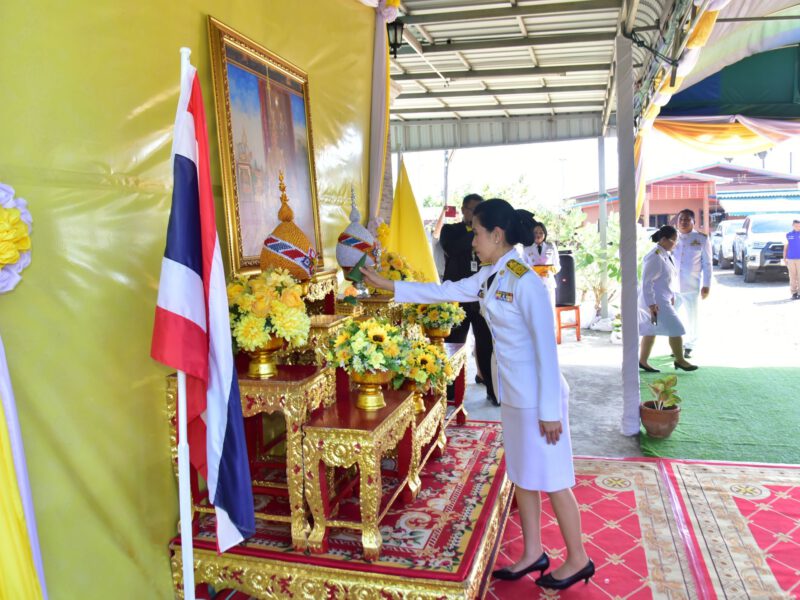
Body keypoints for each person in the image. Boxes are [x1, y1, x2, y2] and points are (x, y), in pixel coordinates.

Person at [362, 199, 594, 591]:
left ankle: (578, 558)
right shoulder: (491, 277)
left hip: (541, 399)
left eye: (476, 232)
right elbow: (443, 291)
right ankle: (533, 550)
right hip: (516, 396)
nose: (472, 240)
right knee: (522, 475)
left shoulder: (526, 282)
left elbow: (546, 351)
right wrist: (388, 285)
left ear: (497, 235)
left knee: (554, 478)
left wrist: (551, 410)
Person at [439, 193, 497, 404]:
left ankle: (493, 389)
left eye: (480, 211)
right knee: (453, 345)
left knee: (486, 345)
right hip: (456, 299)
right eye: (473, 210)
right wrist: (476, 231)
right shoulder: (450, 230)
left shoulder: (486, 232)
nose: (477, 214)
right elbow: (452, 248)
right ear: (463, 210)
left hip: (481, 296)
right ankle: (450, 392)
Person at [638, 225, 698, 372]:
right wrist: (651, 305)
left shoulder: (664, 253)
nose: (676, 244)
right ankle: (680, 360)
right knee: (676, 328)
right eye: (674, 240)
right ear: (664, 240)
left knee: (650, 330)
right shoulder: (654, 256)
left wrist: (671, 296)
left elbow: (666, 280)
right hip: (655, 303)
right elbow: (647, 283)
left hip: (662, 299)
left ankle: (643, 361)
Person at [672, 209, 711, 359]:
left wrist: (706, 285)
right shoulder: (672, 238)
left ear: (693, 222)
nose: (683, 222)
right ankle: (674, 343)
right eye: (681, 219)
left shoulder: (702, 239)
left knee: (692, 317)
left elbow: (707, 264)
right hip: (673, 286)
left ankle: (690, 345)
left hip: (691, 286)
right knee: (672, 316)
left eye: (687, 220)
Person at [522, 219, 561, 309]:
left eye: (541, 232)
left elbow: (558, 266)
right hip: (533, 284)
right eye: (535, 232)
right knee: (536, 311)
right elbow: (523, 267)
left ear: (545, 234)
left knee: (550, 310)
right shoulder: (526, 249)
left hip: (548, 284)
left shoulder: (551, 246)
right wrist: (532, 271)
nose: (538, 235)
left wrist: (550, 270)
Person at [783, 219, 800, 300]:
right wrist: (784, 257)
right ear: (793, 225)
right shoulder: (788, 235)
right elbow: (785, 247)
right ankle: (794, 293)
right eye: (796, 226)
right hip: (791, 259)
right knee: (792, 276)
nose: (798, 227)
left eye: (799, 226)